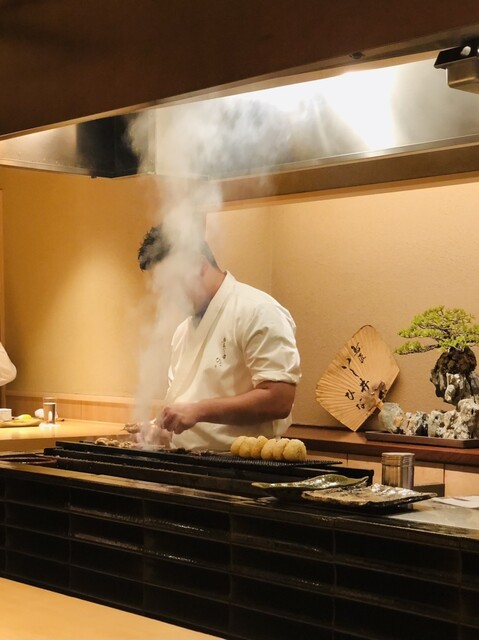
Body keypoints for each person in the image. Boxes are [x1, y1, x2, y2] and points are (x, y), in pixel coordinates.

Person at [137, 225, 301, 451]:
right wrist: (160, 431)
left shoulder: (258, 310)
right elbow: (185, 411)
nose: (168, 297)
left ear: (199, 265)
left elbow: (279, 399)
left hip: (242, 462)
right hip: (186, 460)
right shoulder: (183, 330)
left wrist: (198, 411)